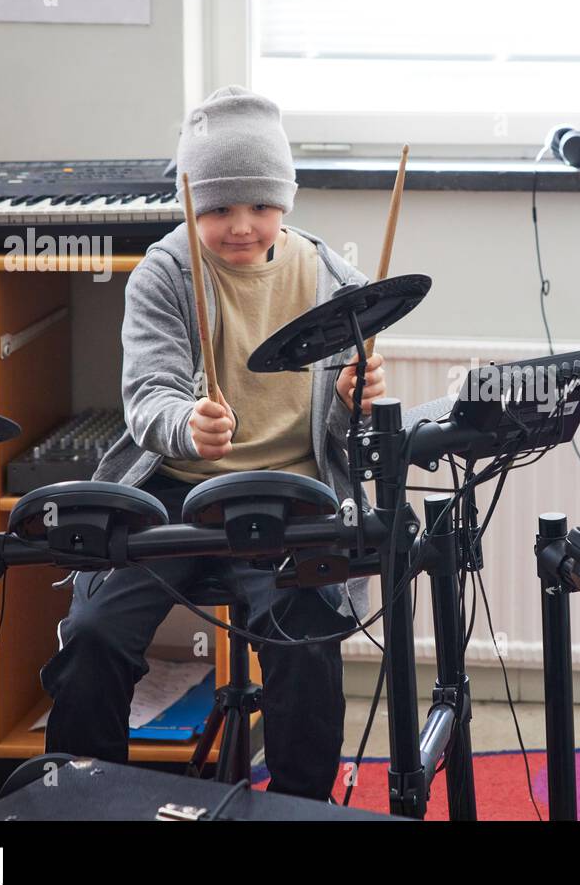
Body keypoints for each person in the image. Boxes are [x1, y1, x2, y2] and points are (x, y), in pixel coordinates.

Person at [40, 85, 385, 800]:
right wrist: (186, 422)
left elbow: (353, 439)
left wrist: (355, 404)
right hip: (170, 489)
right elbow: (148, 399)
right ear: (190, 203)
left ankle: (301, 807)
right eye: (219, 208)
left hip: (292, 492)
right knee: (96, 632)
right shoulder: (164, 274)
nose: (241, 226)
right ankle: (85, 800)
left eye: (260, 206)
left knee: (306, 636)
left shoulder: (335, 281)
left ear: (285, 201)